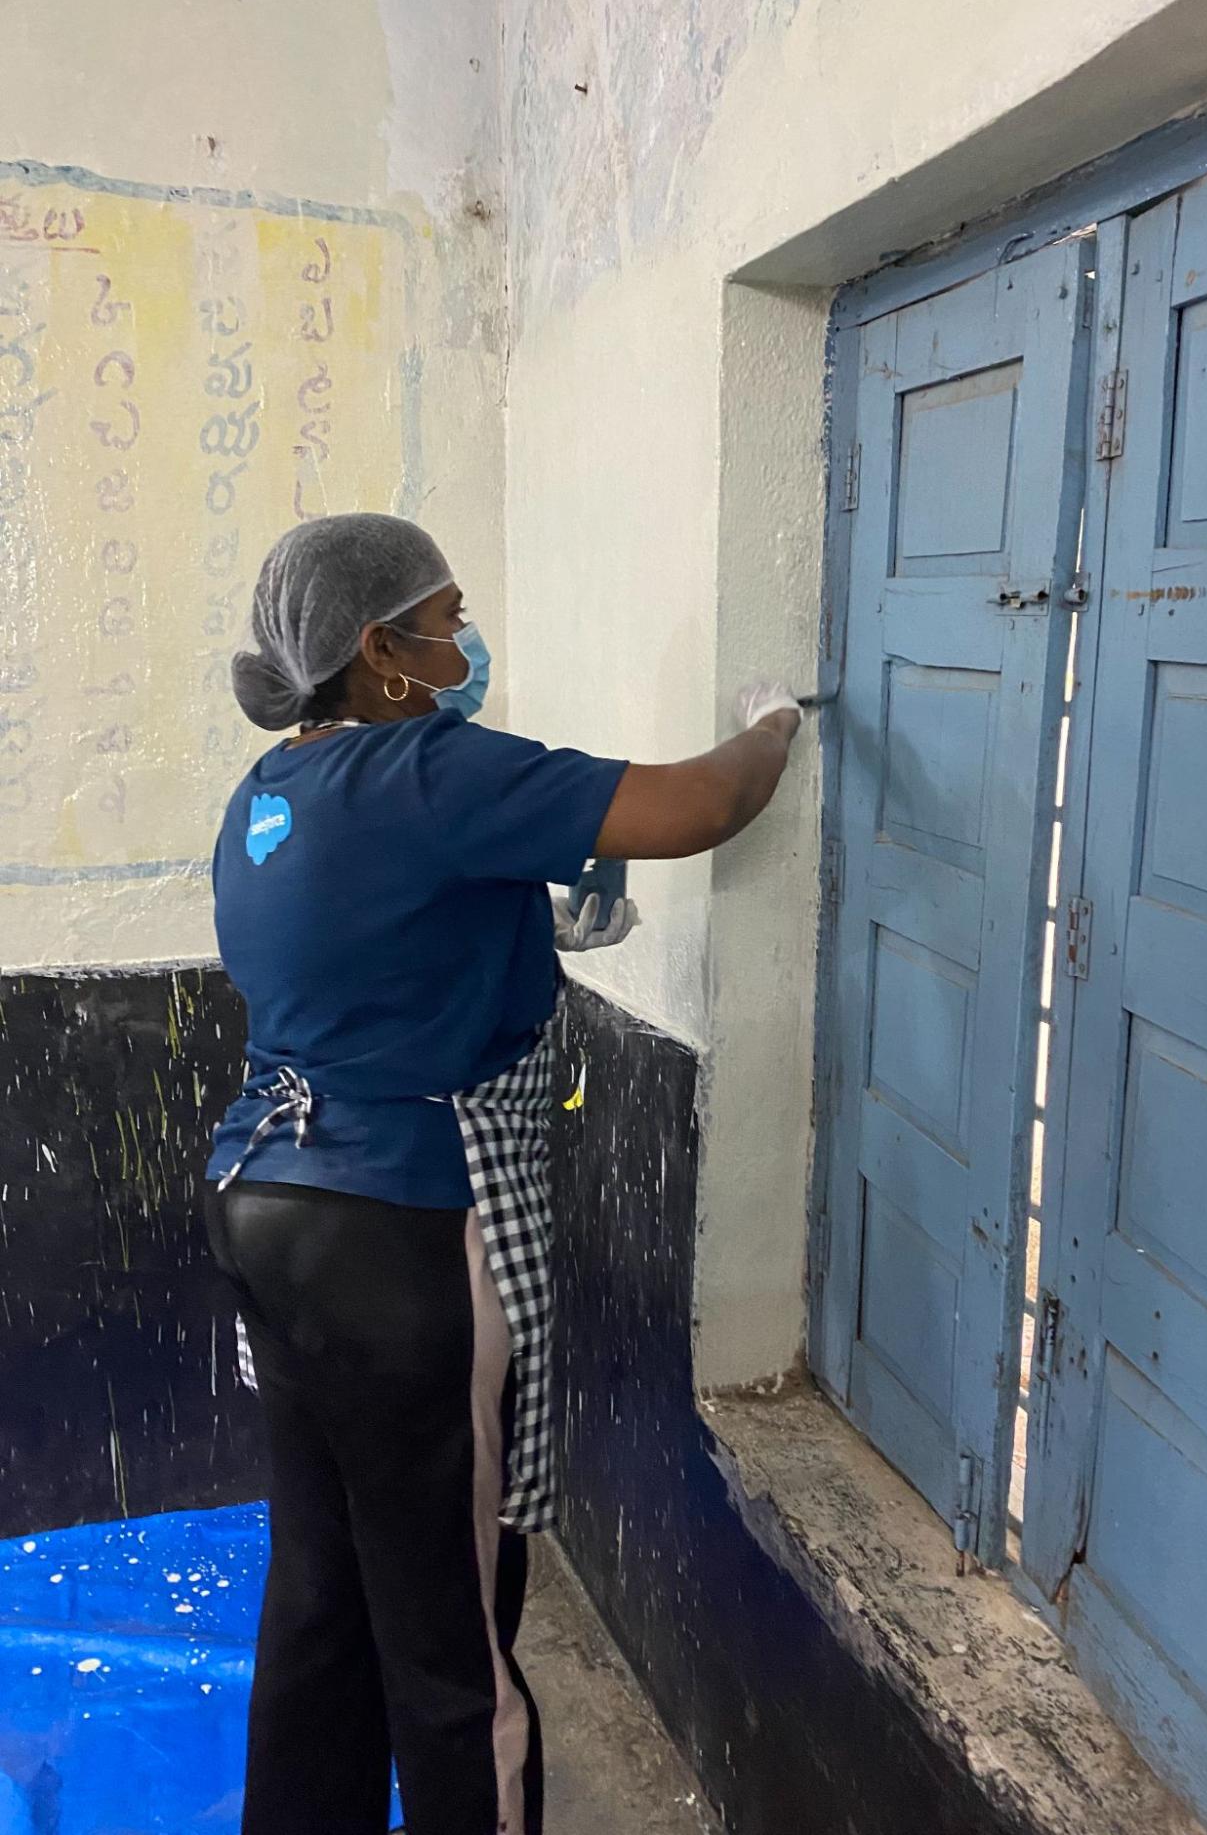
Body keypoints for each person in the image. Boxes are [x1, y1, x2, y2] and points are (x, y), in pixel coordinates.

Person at [205, 514, 801, 1835]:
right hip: (401, 1226)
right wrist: (774, 728)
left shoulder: (273, 796)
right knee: (452, 1641)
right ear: (380, 650)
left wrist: (531, 905)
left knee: (319, 1590)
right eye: (446, 620)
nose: (464, 645)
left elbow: (377, 942)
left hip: (265, 1207)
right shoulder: (430, 763)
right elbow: (698, 805)